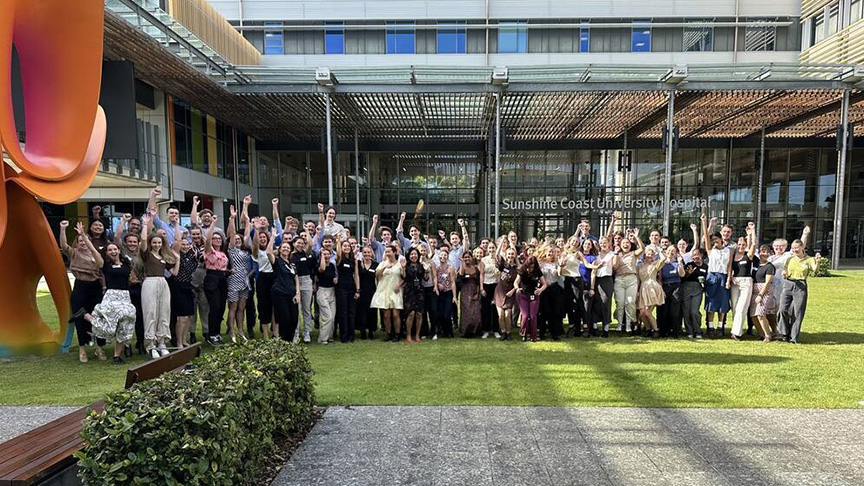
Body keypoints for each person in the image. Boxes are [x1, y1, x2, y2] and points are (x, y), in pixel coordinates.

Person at [60, 220, 108, 363]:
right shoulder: (74, 253)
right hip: (80, 287)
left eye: (85, 240)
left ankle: (100, 347)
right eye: (80, 240)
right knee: (79, 317)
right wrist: (63, 229)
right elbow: (63, 245)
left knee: (98, 317)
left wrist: (86, 239)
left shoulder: (95, 253)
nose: (82, 243)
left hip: (95, 288)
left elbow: (100, 264)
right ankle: (82, 348)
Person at [86, 243, 136, 364]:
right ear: (107, 253)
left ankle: (117, 356)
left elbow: (132, 278)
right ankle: (88, 317)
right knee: (108, 329)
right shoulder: (105, 265)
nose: (113, 251)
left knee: (124, 327)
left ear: (119, 250)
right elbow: (94, 251)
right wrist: (83, 236)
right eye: (110, 250)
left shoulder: (127, 265)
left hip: (124, 297)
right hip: (111, 297)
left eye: (115, 249)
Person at [140, 213, 180, 358]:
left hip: (163, 283)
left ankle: (161, 342)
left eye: (159, 243)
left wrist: (178, 259)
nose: (157, 245)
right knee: (150, 313)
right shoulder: (147, 255)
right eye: (154, 242)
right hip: (150, 282)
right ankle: (150, 344)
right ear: (151, 243)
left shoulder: (164, 257)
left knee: (164, 313)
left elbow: (174, 272)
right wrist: (145, 224)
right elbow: (143, 239)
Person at [779, 240, 821, 344]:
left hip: (800, 286)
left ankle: (794, 337)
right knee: (782, 309)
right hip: (788, 284)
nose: (794, 250)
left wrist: (818, 261)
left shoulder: (809, 260)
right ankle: (784, 333)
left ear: (802, 247)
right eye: (793, 248)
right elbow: (785, 271)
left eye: (796, 248)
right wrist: (784, 274)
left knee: (797, 313)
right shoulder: (789, 259)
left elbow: (815, 270)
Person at [266, 228, 301, 342]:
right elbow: (268, 252)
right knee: (284, 319)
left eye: (288, 247)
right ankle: (284, 342)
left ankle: (290, 342)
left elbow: (296, 278)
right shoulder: (277, 262)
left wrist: (297, 293)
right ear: (280, 250)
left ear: (290, 251)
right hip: (280, 293)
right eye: (283, 247)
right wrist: (273, 237)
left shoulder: (292, 264)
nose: (286, 249)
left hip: (292, 295)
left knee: (294, 320)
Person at [701, 214, 732, 337]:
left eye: (716, 240)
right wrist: (704, 222)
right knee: (711, 302)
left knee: (723, 302)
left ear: (720, 240)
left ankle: (720, 327)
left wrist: (728, 279)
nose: (714, 242)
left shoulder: (728, 250)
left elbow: (729, 266)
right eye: (712, 240)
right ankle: (710, 327)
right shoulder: (710, 250)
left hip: (723, 276)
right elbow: (706, 237)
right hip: (712, 276)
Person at [225, 207, 252, 344]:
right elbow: (233, 233)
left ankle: (241, 330)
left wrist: (247, 221)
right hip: (234, 280)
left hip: (245, 281)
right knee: (233, 307)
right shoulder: (232, 250)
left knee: (242, 307)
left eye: (239, 239)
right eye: (235, 239)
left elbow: (247, 234)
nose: (237, 240)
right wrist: (232, 218)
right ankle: (232, 331)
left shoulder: (246, 251)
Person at [203, 215, 229, 346]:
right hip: (212, 278)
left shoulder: (223, 253)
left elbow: (223, 266)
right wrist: (213, 224)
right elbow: (207, 239)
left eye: (219, 238)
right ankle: (211, 334)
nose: (217, 240)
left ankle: (217, 333)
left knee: (221, 308)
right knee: (214, 307)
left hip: (222, 279)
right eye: (215, 238)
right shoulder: (209, 250)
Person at [371, 245, 405, 342]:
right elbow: (377, 275)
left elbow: (404, 277)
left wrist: (399, 285)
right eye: (386, 252)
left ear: (394, 252)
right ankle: (389, 334)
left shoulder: (399, 264)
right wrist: (384, 267)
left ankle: (397, 334)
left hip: (395, 290)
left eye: (389, 251)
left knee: (395, 314)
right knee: (386, 314)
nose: (387, 254)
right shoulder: (382, 263)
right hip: (384, 290)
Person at [729, 223, 757, 340]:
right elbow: (729, 267)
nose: (741, 246)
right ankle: (737, 330)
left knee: (741, 307)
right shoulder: (733, 255)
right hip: (735, 282)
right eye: (739, 244)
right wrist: (730, 278)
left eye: (743, 245)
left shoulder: (748, 255)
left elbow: (754, 244)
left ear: (746, 245)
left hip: (746, 282)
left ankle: (736, 333)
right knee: (735, 307)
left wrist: (752, 231)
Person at [613, 230, 643, 334]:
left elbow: (642, 249)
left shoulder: (634, 254)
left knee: (630, 302)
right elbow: (614, 267)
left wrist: (636, 236)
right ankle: (620, 324)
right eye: (623, 243)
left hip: (631, 279)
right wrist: (616, 254)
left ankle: (629, 324)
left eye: (627, 243)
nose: (626, 245)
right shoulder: (617, 254)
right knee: (620, 303)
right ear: (620, 245)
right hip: (619, 279)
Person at [172, 234, 198, 348]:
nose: (185, 246)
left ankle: (184, 340)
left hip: (188, 286)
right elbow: (176, 246)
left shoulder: (192, 257)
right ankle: (178, 342)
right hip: (178, 286)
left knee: (189, 316)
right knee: (182, 317)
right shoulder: (176, 256)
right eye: (183, 244)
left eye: (187, 244)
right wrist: (179, 238)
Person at [252, 218, 276, 339]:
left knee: (274, 306)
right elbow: (256, 244)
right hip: (263, 278)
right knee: (264, 306)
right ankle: (266, 335)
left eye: (264, 237)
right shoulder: (257, 252)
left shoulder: (273, 250)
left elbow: (270, 251)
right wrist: (257, 230)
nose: (262, 239)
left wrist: (273, 237)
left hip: (273, 278)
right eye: (260, 238)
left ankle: (275, 334)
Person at [636, 245, 666, 339]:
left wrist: (659, 250)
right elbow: (638, 279)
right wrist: (637, 290)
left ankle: (656, 330)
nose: (650, 256)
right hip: (643, 288)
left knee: (647, 312)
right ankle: (649, 329)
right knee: (641, 313)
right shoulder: (639, 266)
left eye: (652, 254)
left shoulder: (655, 264)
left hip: (653, 287)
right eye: (648, 254)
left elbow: (664, 258)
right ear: (644, 255)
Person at [514, 255, 546, 342]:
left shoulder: (537, 271)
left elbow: (544, 284)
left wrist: (540, 290)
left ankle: (533, 336)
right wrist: (517, 288)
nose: (530, 268)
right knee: (525, 316)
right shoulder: (522, 270)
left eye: (532, 266)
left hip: (534, 296)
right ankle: (523, 333)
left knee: (533, 316)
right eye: (529, 266)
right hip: (523, 295)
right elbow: (516, 282)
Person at [750, 244, 777, 342]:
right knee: (753, 315)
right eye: (762, 252)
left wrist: (761, 295)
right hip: (754, 290)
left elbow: (768, 282)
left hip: (764, 291)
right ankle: (761, 334)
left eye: (766, 252)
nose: (764, 254)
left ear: (770, 254)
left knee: (760, 314)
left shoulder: (770, 266)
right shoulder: (756, 264)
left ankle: (768, 335)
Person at [657, 246, 686, 338]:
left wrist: (680, 262)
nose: (671, 252)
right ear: (666, 252)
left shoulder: (677, 263)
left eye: (673, 251)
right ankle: (663, 331)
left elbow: (682, 274)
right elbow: (660, 279)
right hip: (665, 287)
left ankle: (675, 331)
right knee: (664, 311)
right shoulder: (662, 264)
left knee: (675, 311)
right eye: (669, 250)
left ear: (676, 252)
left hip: (676, 287)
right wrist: (662, 290)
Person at [292, 235, 315, 343]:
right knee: (296, 310)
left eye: (302, 243)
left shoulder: (305, 253)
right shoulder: (290, 256)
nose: (300, 245)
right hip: (294, 282)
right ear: (293, 244)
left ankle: (307, 333)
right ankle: (295, 334)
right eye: (298, 243)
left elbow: (310, 244)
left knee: (306, 309)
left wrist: (306, 230)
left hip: (306, 281)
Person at [335, 238, 360, 343]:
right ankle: (343, 336)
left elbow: (356, 275)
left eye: (348, 246)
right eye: (344, 246)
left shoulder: (354, 260)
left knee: (351, 312)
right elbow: (338, 252)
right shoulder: (339, 258)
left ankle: (351, 335)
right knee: (343, 312)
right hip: (341, 288)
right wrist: (338, 240)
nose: (346, 248)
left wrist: (358, 290)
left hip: (351, 287)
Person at [559, 237, 584, 337]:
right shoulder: (564, 253)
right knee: (568, 304)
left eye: (577, 242)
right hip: (567, 280)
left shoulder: (578, 254)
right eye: (573, 241)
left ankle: (577, 328)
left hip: (576, 279)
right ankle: (571, 325)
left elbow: (586, 264)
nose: (574, 243)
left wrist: (595, 267)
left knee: (577, 304)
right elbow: (561, 266)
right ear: (569, 242)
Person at [538, 245, 564, 341]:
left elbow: (560, 273)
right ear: (545, 252)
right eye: (549, 252)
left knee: (555, 311)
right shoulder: (541, 263)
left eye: (552, 252)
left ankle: (554, 333)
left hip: (554, 288)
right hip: (544, 289)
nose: (550, 253)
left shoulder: (557, 262)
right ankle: (542, 333)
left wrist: (560, 266)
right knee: (544, 311)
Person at [681, 247, 708, 339]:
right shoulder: (689, 265)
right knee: (686, 311)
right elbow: (682, 277)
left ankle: (698, 330)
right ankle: (689, 331)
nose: (695, 256)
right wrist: (688, 273)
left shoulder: (705, 267)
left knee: (694, 311)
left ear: (701, 255)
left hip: (698, 289)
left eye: (697, 254)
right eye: (693, 255)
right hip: (686, 288)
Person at [592, 236, 615, 338]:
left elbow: (614, 266)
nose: (603, 244)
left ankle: (605, 328)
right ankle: (595, 326)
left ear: (609, 243)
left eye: (605, 242)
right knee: (596, 302)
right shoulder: (596, 255)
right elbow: (593, 269)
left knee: (606, 302)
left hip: (607, 279)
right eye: (601, 243)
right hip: (597, 279)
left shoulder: (612, 254)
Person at [494, 245, 519, 340]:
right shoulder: (502, 265)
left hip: (510, 293)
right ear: (506, 254)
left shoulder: (517, 268)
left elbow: (518, 282)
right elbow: (496, 254)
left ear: (515, 255)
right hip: (500, 292)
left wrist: (513, 291)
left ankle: (508, 333)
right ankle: (503, 332)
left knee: (508, 314)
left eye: (512, 254)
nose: (510, 255)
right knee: (501, 315)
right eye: (509, 254)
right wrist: (501, 243)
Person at [403, 247, 427, 343]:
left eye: (415, 254)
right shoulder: (406, 265)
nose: (414, 256)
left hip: (419, 291)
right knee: (411, 313)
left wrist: (427, 270)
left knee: (419, 314)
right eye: (412, 254)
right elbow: (403, 277)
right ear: (409, 256)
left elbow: (425, 278)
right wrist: (403, 268)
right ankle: (408, 335)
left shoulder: (421, 266)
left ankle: (417, 335)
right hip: (409, 291)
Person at [356, 245, 379, 339]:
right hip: (361, 291)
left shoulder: (376, 264)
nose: (366, 254)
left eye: (368, 252)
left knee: (372, 311)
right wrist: (357, 290)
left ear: (371, 253)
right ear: (362, 253)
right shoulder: (358, 263)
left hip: (372, 291)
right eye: (364, 252)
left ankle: (371, 330)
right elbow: (356, 276)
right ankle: (362, 330)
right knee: (362, 311)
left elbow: (379, 278)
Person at [577, 239, 599, 337]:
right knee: (577, 307)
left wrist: (592, 288)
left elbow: (593, 274)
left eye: (589, 244)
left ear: (591, 246)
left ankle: (587, 328)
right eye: (585, 243)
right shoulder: (577, 256)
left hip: (586, 284)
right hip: (576, 285)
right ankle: (577, 328)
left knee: (586, 307)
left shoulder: (592, 258)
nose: (587, 245)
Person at [434, 246, 457, 339]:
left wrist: (454, 296)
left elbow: (453, 282)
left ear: (447, 257)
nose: (443, 257)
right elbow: (435, 279)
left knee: (447, 314)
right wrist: (438, 285)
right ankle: (444, 331)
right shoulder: (437, 268)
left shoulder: (450, 268)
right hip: (440, 293)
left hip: (448, 293)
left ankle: (450, 332)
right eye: (441, 255)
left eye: (445, 255)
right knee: (440, 314)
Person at [316, 248, 338, 344]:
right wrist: (322, 257)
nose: (327, 256)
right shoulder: (319, 266)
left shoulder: (332, 266)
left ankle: (330, 336)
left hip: (331, 291)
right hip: (322, 292)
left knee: (332, 316)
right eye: (324, 254)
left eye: (328, 254)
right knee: (327, 316)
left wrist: (336, 279)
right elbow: (323, 269)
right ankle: (322, 338)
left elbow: (334, 276)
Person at [458, 252, 482, 337]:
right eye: (465, 257)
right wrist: (461, 263)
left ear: (472, 258)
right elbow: (460, 277)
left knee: (476, 312)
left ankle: (475, 331)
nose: (467, 259)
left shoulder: (476, 269)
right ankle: (465, 332)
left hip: (474, 291)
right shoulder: (462, 268)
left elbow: (479, 282)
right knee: (466, 312)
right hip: (465, 292)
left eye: (468, 257)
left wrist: (478, 293)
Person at [479, 243, 500, 339]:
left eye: (493, 247)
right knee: (485, 309)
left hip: (496, 285)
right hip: (486, 285)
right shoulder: (483, 260)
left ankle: (496, 330)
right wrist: (481, 288)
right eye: (490, 248)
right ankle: (486, 330)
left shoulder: (498, 259)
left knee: (495, 309)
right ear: (487, 249)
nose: (491, 249)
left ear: (496, 248)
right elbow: (481, 274)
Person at [419, 245, 438, 339]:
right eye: (421, 250)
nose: (423, 252)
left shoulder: (431, 262)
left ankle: (434, 331)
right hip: (421, 289)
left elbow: (434, 276)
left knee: (432, 310)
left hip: (430, 288)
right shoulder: (417, 263)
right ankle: (424, 332)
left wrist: (436, 287)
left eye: (424, 250)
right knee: (423, 311)